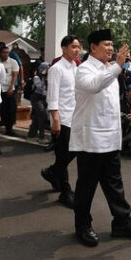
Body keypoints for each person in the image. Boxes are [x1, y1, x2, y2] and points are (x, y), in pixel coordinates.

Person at [69, 29, 131, 247]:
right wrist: (117, 66)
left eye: (113, 45)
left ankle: (122, 221)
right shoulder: (84, 69)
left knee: (114, 184)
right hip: (90, 140)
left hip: (110, 138)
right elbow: (94, 86)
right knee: (86, 187)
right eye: (107, 44)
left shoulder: (110, 70)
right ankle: (82, 226)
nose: (111, 49)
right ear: (92, 47)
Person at [41, 35, 80, 209]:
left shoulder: (75, 66)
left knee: (71, 153)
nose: (77, 50)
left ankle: (52, 171)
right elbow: (52, 96)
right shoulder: (56, 69)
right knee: (63, 155)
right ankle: (65, 192)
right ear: (64, 48)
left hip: (76, 116)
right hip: (62, 118)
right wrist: (55, 119)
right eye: (73, 47)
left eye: (78, 47)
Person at [0, 46, 20, 136]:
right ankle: (1, 122)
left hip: (10, 88)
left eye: (7, 52)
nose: (5, 54)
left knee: (10, 109)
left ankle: (9, 128)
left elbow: (14, 76)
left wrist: (11, 87)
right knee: (1, 108)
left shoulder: (13, 62)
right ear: (0, 53)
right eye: (4, 52)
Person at [27, 62, 49, 144]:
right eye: (46, 68)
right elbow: (41, 87)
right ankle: (41, 137)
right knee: (42, 115)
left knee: (37, 117)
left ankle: (31, 134)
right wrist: (43, 78)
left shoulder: (49, 77)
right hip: (36, 98)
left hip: (44, 99)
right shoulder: (36, 77)